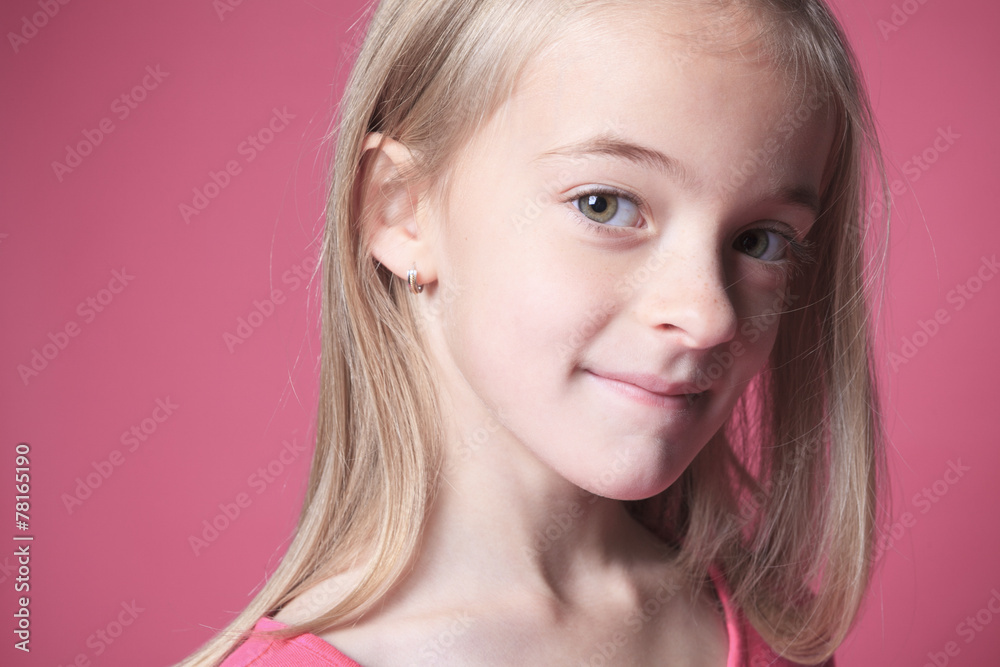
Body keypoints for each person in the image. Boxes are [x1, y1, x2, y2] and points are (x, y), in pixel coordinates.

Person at [178, 0, 888, 664]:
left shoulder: (775, 628)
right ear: (401, 210)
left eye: (762, 240)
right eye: (605, 204)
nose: (709, 316)